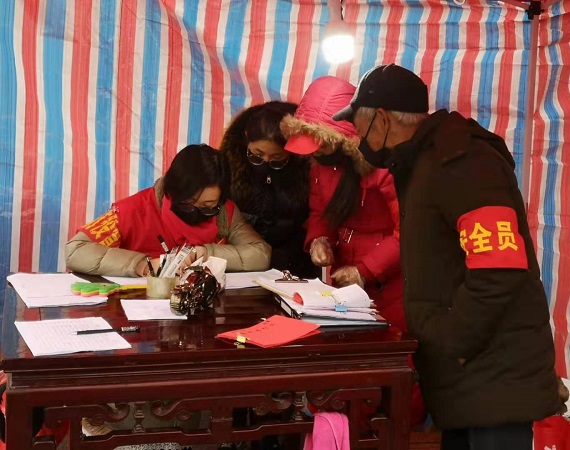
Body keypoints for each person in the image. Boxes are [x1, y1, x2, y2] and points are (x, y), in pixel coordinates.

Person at [333, 64, 561, 449]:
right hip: (466, 375)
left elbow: (499, 269)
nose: (360, 142)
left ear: (383, 119)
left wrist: (453, 342)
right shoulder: (422, 162)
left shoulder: (463, 162)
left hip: (492, 373)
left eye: (360, 130)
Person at [281, 75, 426, 427]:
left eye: (320, 145)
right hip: (346, 280)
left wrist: (367, 270)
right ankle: (343, 434)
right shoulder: (320, 166)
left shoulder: (385, 166)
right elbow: (320, 213)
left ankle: (399, 434)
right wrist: (318, 240)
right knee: (347, 362)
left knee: (394, 363)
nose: (315, 153)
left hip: (393, 283)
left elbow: (410, 230)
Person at [66, 144, 271, 276]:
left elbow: (260, 254)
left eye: (208, 208)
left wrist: (206, 253)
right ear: (171, 190)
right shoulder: (134, 210)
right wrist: (142, 265)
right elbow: (76, 250)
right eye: (188, 204)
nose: (196, 212)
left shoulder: (225, 214)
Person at [220, 101, 319, 279]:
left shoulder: (307, 169)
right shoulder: (228, 164)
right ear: (246, 138)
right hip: (243, 262)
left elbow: (314, 218)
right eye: (257, 155)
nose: (265, 161)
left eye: (277, 158)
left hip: (295, 263)